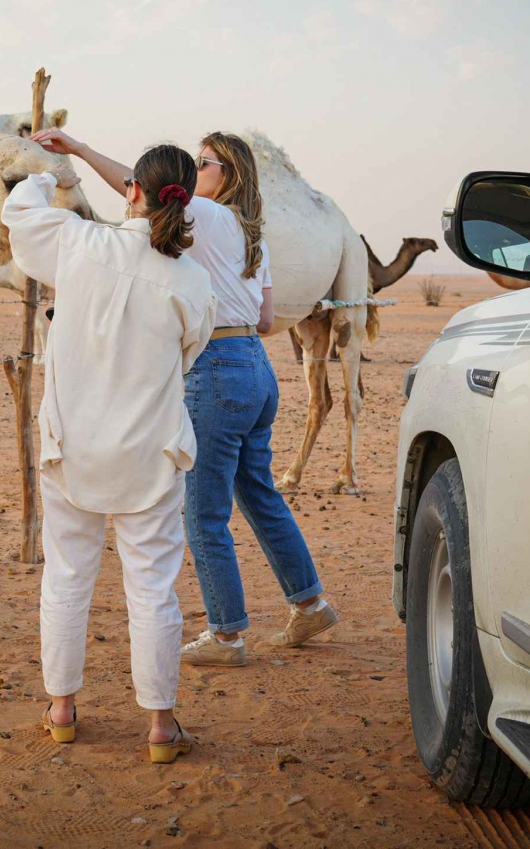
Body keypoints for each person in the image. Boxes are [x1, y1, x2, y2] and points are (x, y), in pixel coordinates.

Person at [31, 129, 336, 670]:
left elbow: (144, 186)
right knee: (259, 494)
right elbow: (267, 320)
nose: (194, 170)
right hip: (256, 368)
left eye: (205, 162)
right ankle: (309, 602)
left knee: (203, 515)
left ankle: (226, 635)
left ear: (229, 175)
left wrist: (80, 150)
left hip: (216, 372)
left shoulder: (209, 217)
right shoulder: (253, 236)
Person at [2, 145, 215, 764]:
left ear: (132, 191)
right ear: (185, 201)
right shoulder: (192, 281)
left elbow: (19, 213)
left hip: (72, 448)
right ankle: (160, 726)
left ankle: (62, 711)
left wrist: (49, 174)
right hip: (150, 453)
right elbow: (190, 352)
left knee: (67, 577)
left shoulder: (77, 244)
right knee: (153, 588)